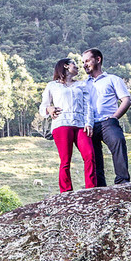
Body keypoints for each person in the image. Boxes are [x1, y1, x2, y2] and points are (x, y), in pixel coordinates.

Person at [39, 58, 96, 192]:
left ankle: (91, 188)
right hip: (61, 123)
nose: (77, 67)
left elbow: (88, 106)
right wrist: (50, 109)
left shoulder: (81, 85)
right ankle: (66, 191)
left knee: (89, 154)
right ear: (65, 66)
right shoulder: (52, 85)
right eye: (74, 65)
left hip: (81, 124)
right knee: (65, 159)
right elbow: (43, 106)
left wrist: (89, 123)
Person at [82, 47, 131, 186]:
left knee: (118, 142)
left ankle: (122, 181)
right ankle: (99, 186)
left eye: (87, 61)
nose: (85, 64)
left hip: (108, 121)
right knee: (93, 156)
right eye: (83, 62)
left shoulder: (113, 79)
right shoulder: (83, 84)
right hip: (89, 124)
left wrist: (115, 117)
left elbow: (126, 100)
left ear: (98, 59)